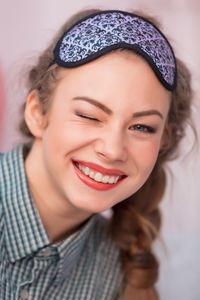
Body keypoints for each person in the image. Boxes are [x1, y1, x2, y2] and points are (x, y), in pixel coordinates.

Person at [0, 9, 193, 300]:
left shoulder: (117, 275)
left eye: (141, 126)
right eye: (89, 115)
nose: (113, 150)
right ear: (37, 112)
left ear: (163, 139)